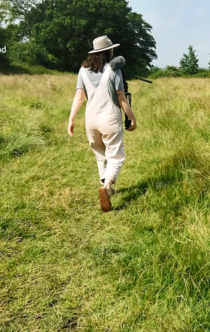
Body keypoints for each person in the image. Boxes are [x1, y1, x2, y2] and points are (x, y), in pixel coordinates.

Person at [67, 36, 137, 212]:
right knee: (116, 156)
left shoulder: (83, 70)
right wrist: (132, 118)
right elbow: (121, 97)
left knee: (101, 155)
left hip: (90, 120)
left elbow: (79, 97)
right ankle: (106, 188)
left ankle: (108, 188)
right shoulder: (114, 70)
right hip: (110, 118)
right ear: (109, 51)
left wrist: (71, 119)